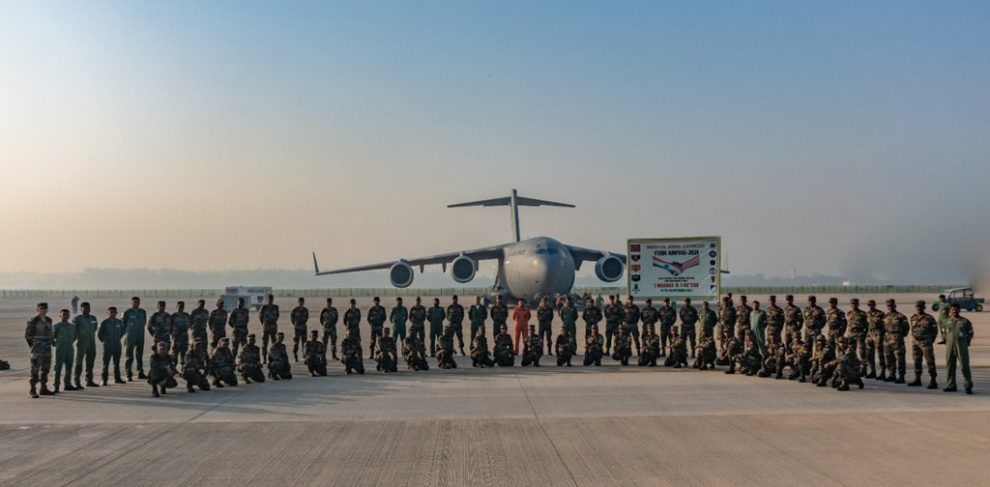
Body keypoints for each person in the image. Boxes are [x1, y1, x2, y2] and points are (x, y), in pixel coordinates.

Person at [943, 304, 974, 394]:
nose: (954, 311)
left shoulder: (965, 321)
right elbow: (944, 333)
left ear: (959, 310)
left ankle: (968, 386)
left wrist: (965, 343)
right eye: (952, 309)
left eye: (956, 309)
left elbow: (970, 333)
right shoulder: (947, 321)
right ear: (950, 311)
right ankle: (951, 385)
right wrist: (947, 341)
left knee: (964, 366)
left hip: (961, 346)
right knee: (950, 366)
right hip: (949, 347)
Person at [26, 303, 55, 398]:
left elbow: (50, 333)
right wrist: (33, 346)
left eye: (45, 308)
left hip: (47, 348)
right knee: (35, 369)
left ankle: (43, 388)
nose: (44, 310)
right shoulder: (33, 321)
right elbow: (28, 335)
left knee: (45, 368)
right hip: (37, 349)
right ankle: (32, 390)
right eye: (41, 308)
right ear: (37, 310)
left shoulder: (49, 320)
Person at [908, 300, 938, 389]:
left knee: (930, 361)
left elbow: (935, 331)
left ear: (924, 307)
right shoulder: (913, 317)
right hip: (915, 343)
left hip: (926, 342)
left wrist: (930, 341)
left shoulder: (929, 318)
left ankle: (933, 380)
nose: (918, 308)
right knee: (917, 361)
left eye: (920, 307)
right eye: (917, 307)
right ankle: (917, 379)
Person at [882, 299, 909, 383]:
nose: (890, 307)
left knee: (900, 358)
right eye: (888, 306)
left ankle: (901, 376)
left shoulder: (901, 316)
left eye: (891, 305)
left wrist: (900, 335)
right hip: (887, 340)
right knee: (889, 358)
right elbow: (882, 327)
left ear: (895, 306)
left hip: (897, 340)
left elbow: (906, 328)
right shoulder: (885, 316)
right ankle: (891, 374)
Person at [98, 306, 126, 385]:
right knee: (106, 363)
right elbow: (100, 334)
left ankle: (117, 378)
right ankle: (104, 380)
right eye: (111, 312)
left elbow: (122, 332)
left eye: (114, 312)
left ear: (116, 313)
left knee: (116, 363)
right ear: (108, 313)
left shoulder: (119, 322)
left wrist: (117, 339)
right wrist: (105, 341)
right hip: (108, 346)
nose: (113, 314)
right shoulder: (104, 323)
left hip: (117, 345)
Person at [123, 297, 148, 380]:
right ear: (131, 303)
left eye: (137, 302)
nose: (136, 303)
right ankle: (128, 373)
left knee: (139, 354)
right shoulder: (127, 312)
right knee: (129, 355)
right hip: (130, 336)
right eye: (134, 302)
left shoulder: (143, 312)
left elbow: (144, 322)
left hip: (140, 335)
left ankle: (140, 372)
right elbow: (123, 324)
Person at [53, 309, 76, 393]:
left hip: (70, 349)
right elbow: (52, 337)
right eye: (64, 314)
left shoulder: (72, 326)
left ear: (69, 316)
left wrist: (70, 342)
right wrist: (55, 344)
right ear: (60, 316)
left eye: (67, 314)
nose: (65, 316)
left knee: (69, 367)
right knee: (58, 368)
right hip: (60, 349)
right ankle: (56, 386)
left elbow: (75, 336)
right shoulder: (56, 326)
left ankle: (67, 384)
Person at [864, 299, 887, 380]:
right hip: (870, 336)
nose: (870, 306)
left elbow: (886, 325)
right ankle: (872, 371)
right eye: (869, 305)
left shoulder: (880, 314)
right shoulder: (867, 314)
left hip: (878, 336)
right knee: (869, 355)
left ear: (874, 305)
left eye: (872, 305)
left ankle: (883, 372)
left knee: (880, 355)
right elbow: (865, 324)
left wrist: (882, 334)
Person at [845, 298, 868, 376]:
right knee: (851, 353)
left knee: (862, 353)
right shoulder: (849, 313)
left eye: (855, 304)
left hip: (859, 335)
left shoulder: (862, 314)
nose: (854, 305)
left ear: (858, 304)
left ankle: (864, 369)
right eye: (852, 304)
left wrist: (864, 335)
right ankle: (853, 369)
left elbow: (867, 326)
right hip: (851, 336)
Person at [260, 294, 281, 363]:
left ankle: (273, 358)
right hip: (266, 327)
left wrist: (273, 322)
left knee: (274, 343)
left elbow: (277, 316)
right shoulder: (264, 307)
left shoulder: (276, 307)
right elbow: (260, 317)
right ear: (267, 300)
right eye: (269, 299)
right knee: (264, 344)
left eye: (271, 299)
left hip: (273, 327)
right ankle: (264, 358)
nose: (270, 300)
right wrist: (264, 323)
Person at [171, 301, 191, 366]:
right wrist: (172, 334)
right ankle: (174, 368)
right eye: (179, 306)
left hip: (184, 337)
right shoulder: (174, 316)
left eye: (182, 306)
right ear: (177, 307)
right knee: (175, 354)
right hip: (176, 338)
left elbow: (191, 325)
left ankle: (183, 368)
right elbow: (169, 326)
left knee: (184, 354)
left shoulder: (187, 315)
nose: (181, 308)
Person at [291, 297, 309, 362]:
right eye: (300, 302)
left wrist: (302, 323)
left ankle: (304, 355)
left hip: (303, 328)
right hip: (297, 329)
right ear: (298, 302)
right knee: (296, 343)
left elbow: (306, 318)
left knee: (304, 343)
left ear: (303, 302)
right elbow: (292, 318)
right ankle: (295, 356)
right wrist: (296, 324)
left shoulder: (305, 310)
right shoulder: (295, 310)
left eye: (302, 302)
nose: (301, 303)